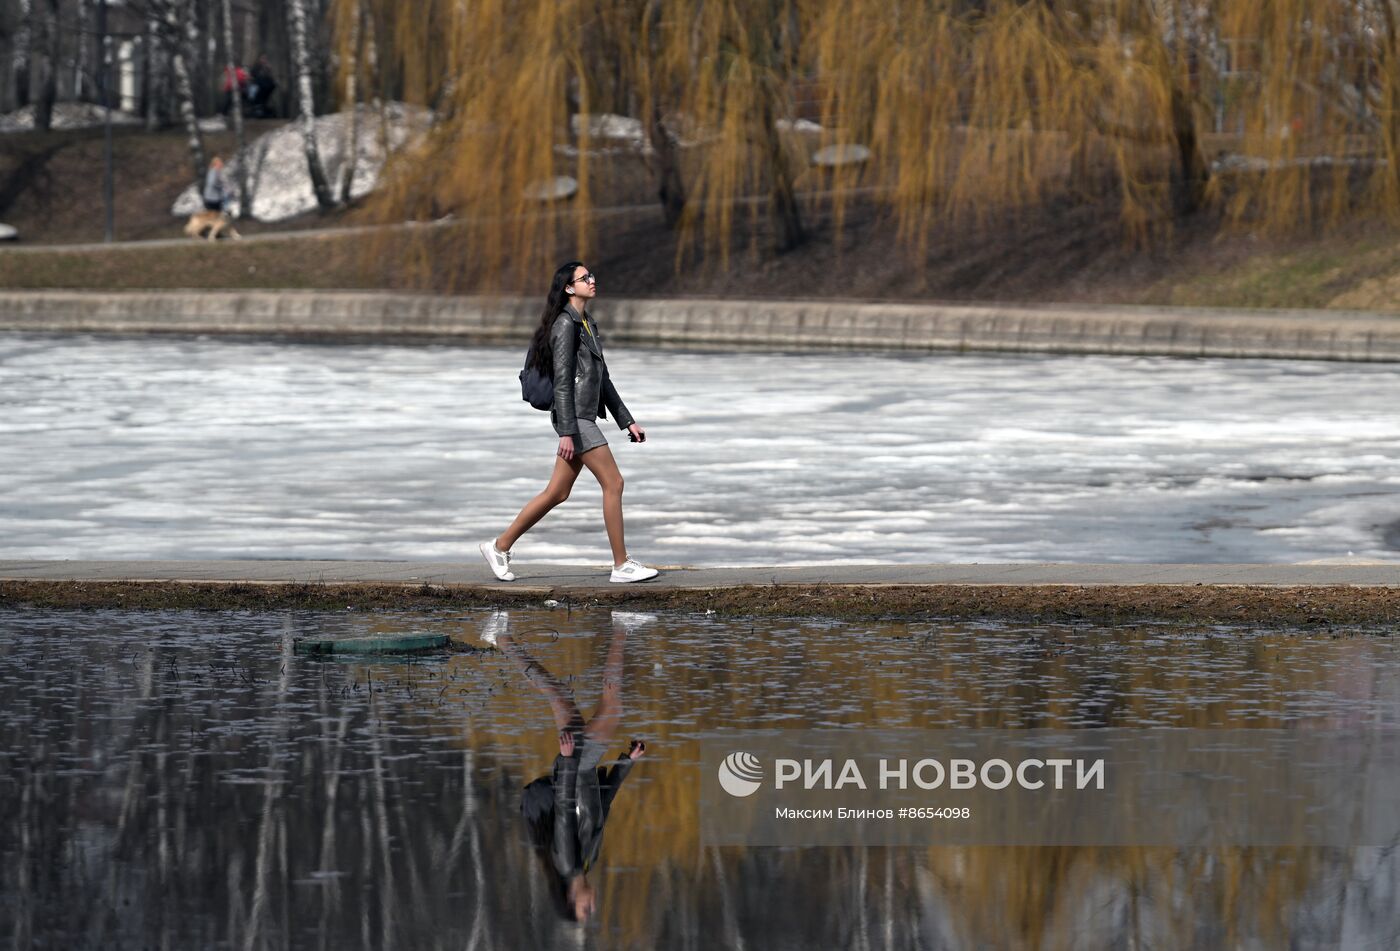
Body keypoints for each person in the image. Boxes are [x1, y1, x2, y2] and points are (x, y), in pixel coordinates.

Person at [481, 261, 659, 584]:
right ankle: (621, 565)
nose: (592, 280)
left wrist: (627, 421)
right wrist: (566, 431)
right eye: (584, 278)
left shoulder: (586, 322)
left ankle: (499, 546)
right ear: (568, 287)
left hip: (581, 418)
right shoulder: (565, 325)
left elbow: (602, 380)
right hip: (574, 419)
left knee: (557, 492)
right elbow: (562, 381)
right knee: (614, 483)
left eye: (591, 276)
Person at [495, 611, 650, 923]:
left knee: (612, 707)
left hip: (576, 766)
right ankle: (502, 640)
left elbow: (566, 810)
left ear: (570, 899)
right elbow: (602, 805)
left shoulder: (567, 862)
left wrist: (567, 761)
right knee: (559, 696)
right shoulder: (587, 862)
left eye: (584, 910)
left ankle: (622, 627)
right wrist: (626, 763)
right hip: (581, 768)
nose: (592, 907)